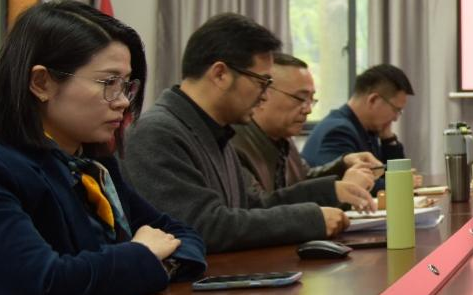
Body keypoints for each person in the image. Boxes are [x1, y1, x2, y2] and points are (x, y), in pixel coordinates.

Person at [0, 1, 205, 295]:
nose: (123, 102)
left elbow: (181, 235)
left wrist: (149, 263)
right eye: (109, 83)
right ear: (41, 83)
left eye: (127, 85)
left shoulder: (94, 164)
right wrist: (142, 254)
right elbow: (43, 286)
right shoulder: (4, 168)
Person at [123, 14, 364, 253]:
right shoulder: (156, 133)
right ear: (220, 74)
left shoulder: (215, 132)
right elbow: (202, 226)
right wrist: (310, 219)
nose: (265, 95)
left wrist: (328, 193)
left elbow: (254, 207)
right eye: (262, 82)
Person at [232, 52, 381, 199]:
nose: (308, 110)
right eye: (300, 98)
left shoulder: (283, 138)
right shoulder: (234, 143)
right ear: (263, 93)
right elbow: (260, 204)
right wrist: (334, 191)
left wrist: (343, 164)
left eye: (311, 100)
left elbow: (303, 178)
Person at [302, 64, 415, 170]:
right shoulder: (339, 132)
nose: (395, 118)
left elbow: (397, 173)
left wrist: (388, 140)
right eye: (396, 110)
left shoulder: (367, 129)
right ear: (373, 100)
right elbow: (356, 182)